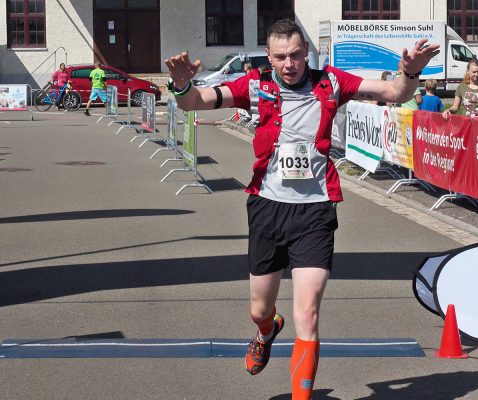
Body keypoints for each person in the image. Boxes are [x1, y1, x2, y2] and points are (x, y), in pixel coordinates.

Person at [164, 19, 439, 400]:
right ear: (269, 57)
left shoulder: (331, 82)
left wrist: (411, 71)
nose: (289, 64)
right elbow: (195, 103)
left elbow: (394, 91)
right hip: (267, 207)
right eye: (280, 57)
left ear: (305, 52)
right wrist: (181, 85)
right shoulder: (255, 85)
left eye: (295, 55)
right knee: (260, 308)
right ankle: (265, 330)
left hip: (315, 211)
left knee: (307, 314)